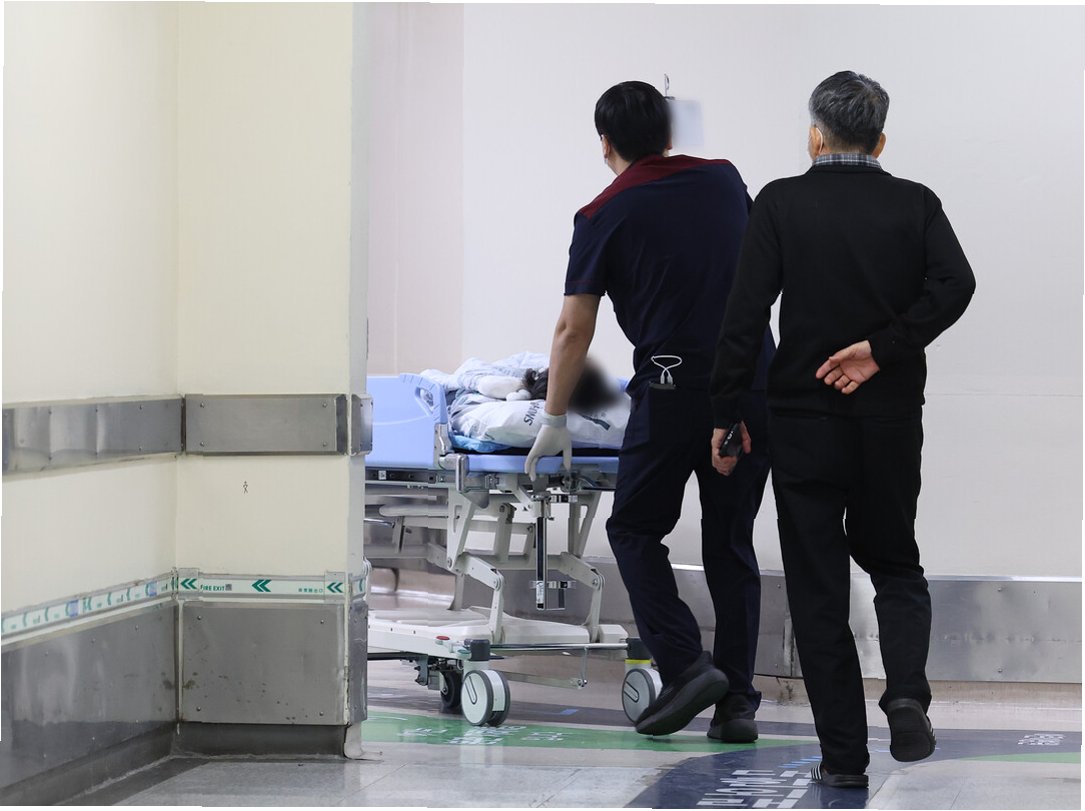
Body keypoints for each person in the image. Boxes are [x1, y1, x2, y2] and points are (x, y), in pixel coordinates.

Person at [708, 71, 976, 787]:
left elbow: (743, 316)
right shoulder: (915, 203)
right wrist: (883, 349)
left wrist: (726, 412)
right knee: (895, 564)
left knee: (817, 589)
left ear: (814, 136)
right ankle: (906, 693)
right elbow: (956, 284)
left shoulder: (779, 202)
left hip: (803, 424)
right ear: (880, 141)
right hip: (889, 421)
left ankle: (844, 762)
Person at [525, 80, 775, 739]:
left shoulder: (601, 213)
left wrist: (554, 417)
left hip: (670, 393)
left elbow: (572, 330)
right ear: (668, 135)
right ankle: (737, 705)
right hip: (750, 386)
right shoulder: (724, 180)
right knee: (730, 542)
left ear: (604, 142)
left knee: (634, 530)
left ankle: (686, 664)